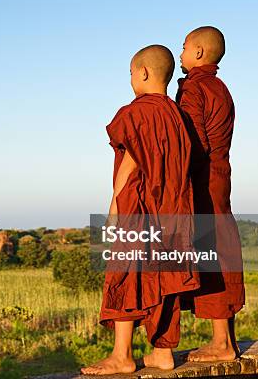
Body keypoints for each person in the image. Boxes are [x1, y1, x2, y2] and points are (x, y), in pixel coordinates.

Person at [81, 45, 199, 375]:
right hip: (175, 211)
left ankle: (121, 354)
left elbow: (133, 158)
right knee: (165, 276)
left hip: (140, 206)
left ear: (143, 72)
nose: (131, 79)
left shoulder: (137, 112)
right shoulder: (177, 116)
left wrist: (115, 201)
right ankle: (162, 352)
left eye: (131, 72)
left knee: (125, 273)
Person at [176, 26, 245, 362]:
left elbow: (192, 143)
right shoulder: (220, 87)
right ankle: (226, 339)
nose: (180, 52)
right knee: (222, 247)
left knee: (210, 252)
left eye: (184, 46)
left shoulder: (195, 88)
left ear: (199, 52)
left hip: (202, 178)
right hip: (221, 174)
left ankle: (221, 344)